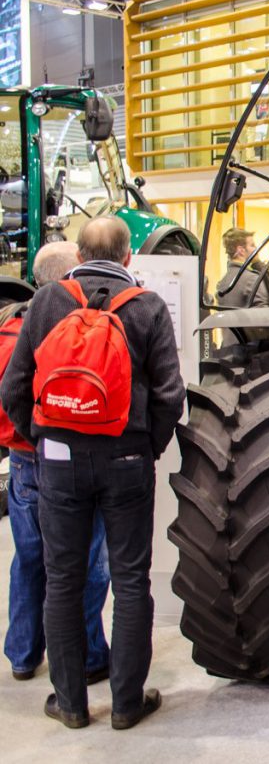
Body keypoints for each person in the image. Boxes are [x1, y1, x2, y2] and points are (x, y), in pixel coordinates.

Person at [0, 216, 185, 729]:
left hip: (56, 460)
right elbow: (171, 395)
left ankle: (71, 704)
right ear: (129, 258)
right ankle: (127, 704)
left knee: (62, 579)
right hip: (127, 460)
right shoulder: (146, 306)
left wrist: (42, 440)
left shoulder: (46, 302)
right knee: (130, 580)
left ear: (79, 257)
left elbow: (14, 387)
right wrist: (145, 448)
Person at [3, 242, 111, 685]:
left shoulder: (10, 323)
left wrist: (29, 440)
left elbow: (11, 394)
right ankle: (88, 655)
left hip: (23, 459)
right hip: (67, 459)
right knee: (86, 561)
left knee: (29, 557)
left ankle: (23, 653)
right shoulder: (75, 329)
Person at [215, 227, 269, 307]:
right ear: (241, 250)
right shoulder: (251, 279)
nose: (256, 249)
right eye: (252, 245)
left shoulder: (223, 282)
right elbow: (263, 314)